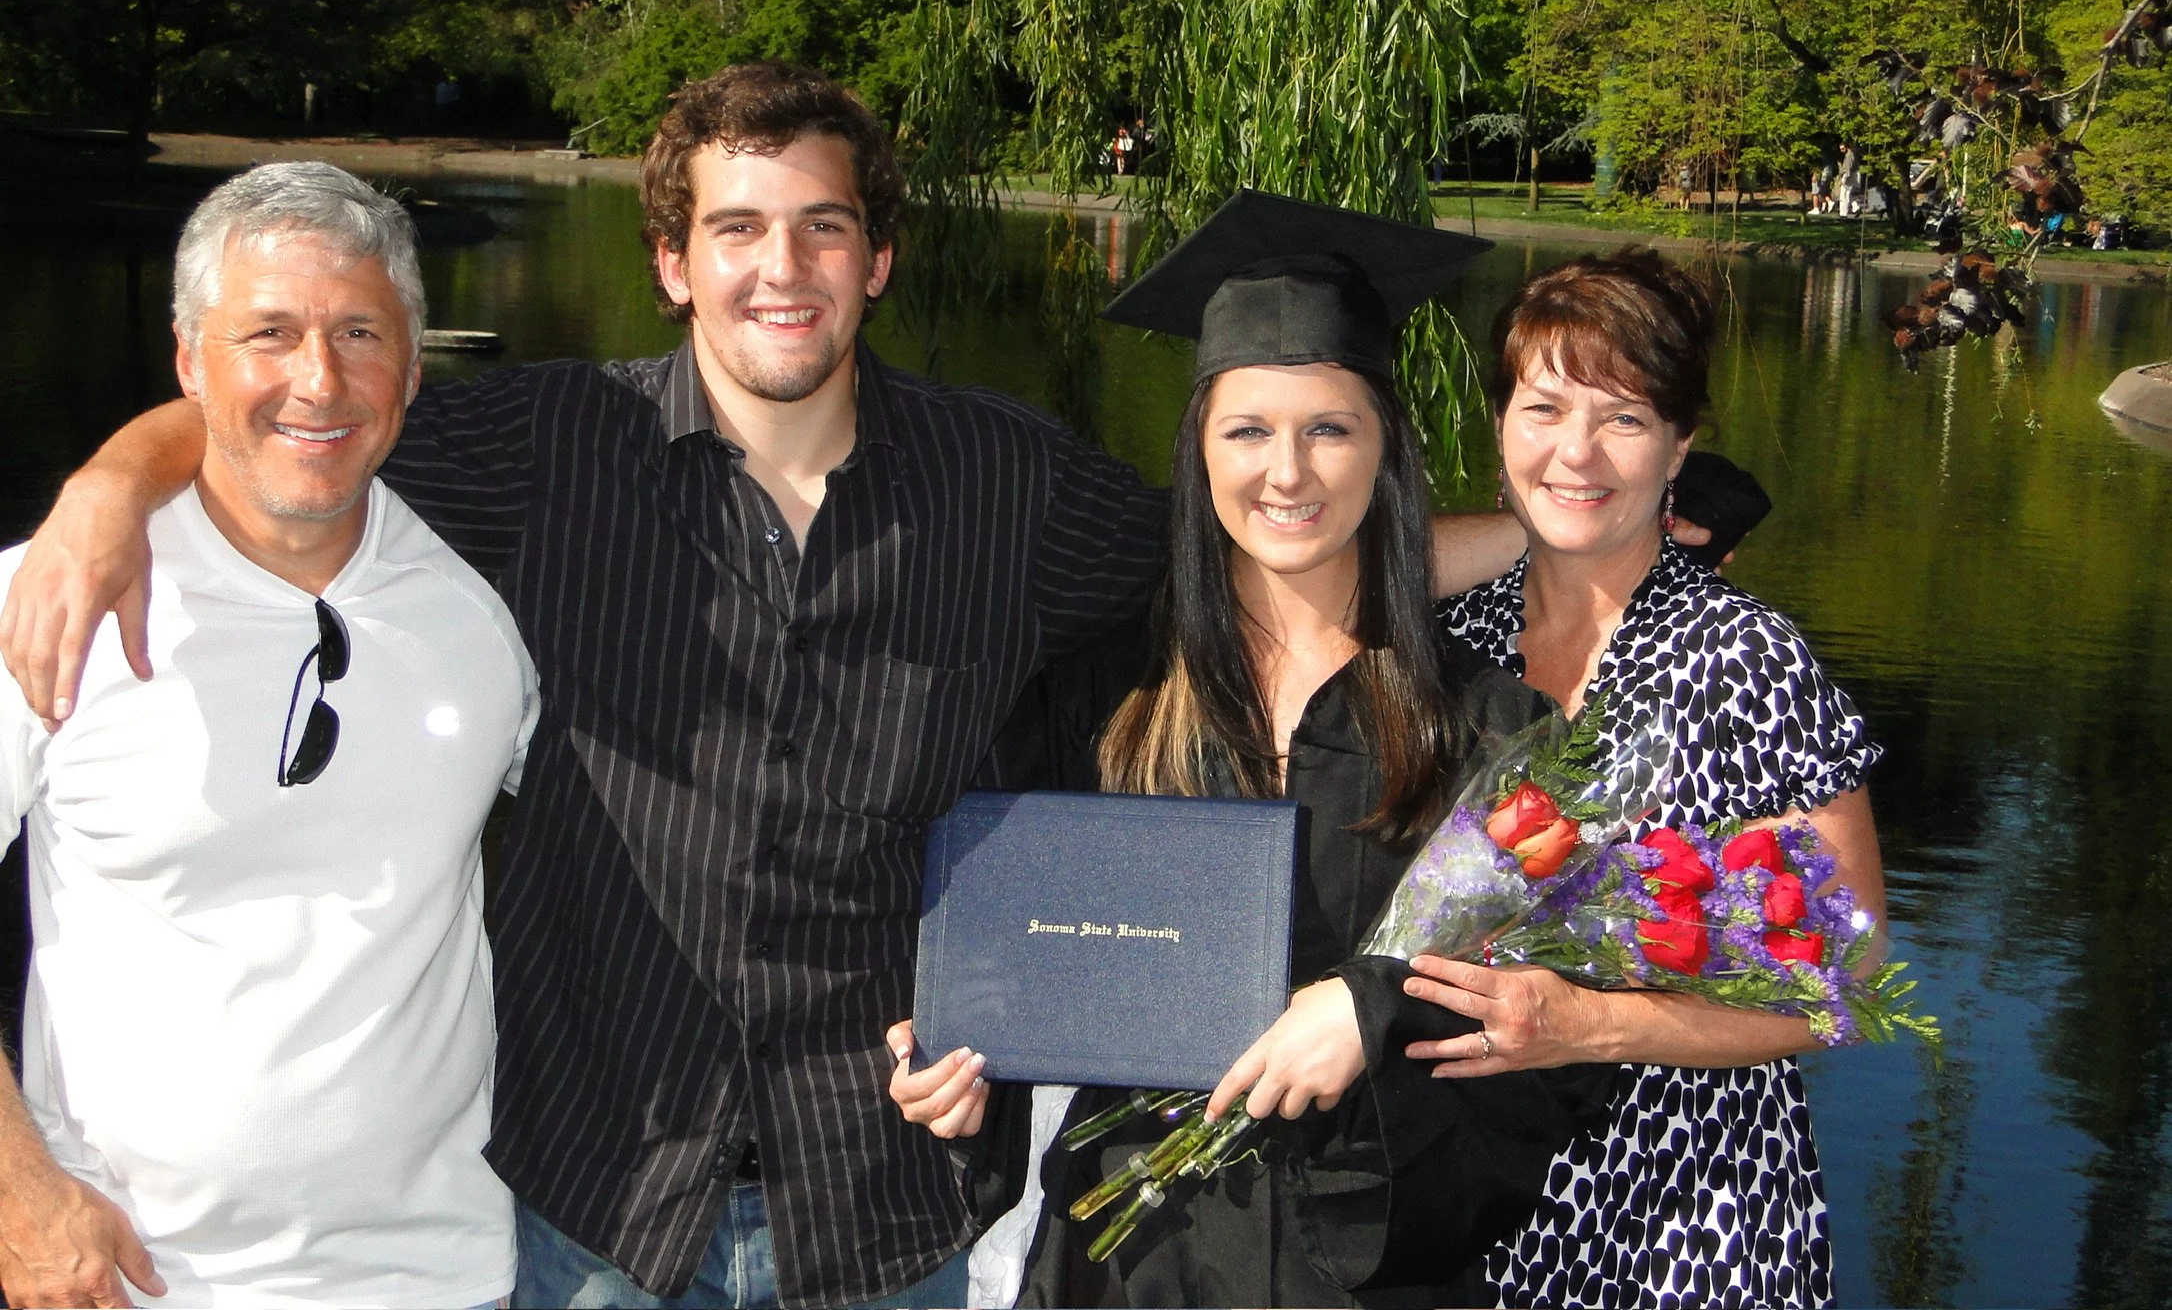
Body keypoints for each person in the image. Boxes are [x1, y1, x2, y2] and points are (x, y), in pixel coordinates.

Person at [0, 66, 1556, 1308]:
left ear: (877, 259)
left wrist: (1562, 540)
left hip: (882, 1208)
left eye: (821, 227)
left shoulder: (1006, 486)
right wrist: (102, 487)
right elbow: (301, 414)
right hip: (602, 1203)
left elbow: (1262, 528)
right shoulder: (548, 453)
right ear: (674, 262)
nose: (782, 270)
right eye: (737, 229)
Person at [887, 192, 1620, 1307]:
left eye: (1330, 427)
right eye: (1247, 430)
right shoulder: (1098, 698)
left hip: (1373, 1271)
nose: (1289, 471)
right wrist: (954, 1063)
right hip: (1127, 1266)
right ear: (1199, 447)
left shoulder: (1491, 732)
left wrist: (1377, 1009)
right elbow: (999, 948)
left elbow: (1562, 1058)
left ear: (1386, 450)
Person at [0, 161, 538, 1306]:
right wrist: (18, 1190)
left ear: (412, 360)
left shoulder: (485, 613)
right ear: (191, 359)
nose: (318, 378)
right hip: (127, 1275)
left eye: (360, 331)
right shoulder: (50, 601)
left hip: (441, 1273)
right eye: (270, 332)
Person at [1410, 248, 1887, 1308]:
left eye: (1623, 418)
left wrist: (1587, 1021)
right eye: (1543, 408)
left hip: (1683, 1208)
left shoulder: (1742, 658)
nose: (1576, 450)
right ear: (1498, 424)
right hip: (1460, 1198)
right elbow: (1296, 559)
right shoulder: (1455, 633)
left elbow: (1846, 979)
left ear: (1681, 445)